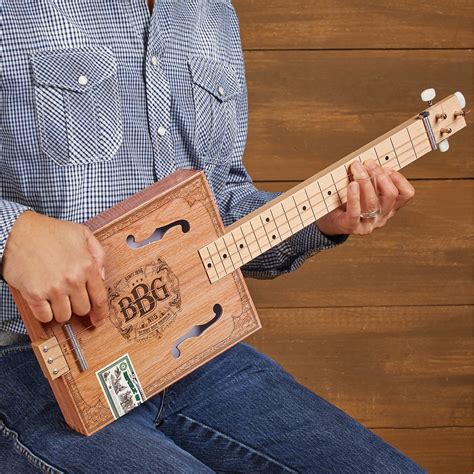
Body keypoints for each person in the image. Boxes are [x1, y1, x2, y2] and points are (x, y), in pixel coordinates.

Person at [0, 0, 423, 472]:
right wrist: (10, 234)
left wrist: (324, 218)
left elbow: (218, 210)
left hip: (190, 353)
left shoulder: (213, 14)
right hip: (25, 365)